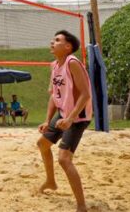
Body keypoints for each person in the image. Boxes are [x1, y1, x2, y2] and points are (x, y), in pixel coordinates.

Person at [37, 30, 93, 212]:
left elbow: (85, 94)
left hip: (78, 116)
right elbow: (54, 95)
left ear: (68, 47)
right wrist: (47, 120)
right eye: (53, 39)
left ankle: (81, 206)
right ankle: (51, 181)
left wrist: (70, 118)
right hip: (63, 114)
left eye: (57, 40)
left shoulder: (73, 63)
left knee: (64, 159)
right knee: (42, 144)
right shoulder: (54, 65)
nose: (52, 42)